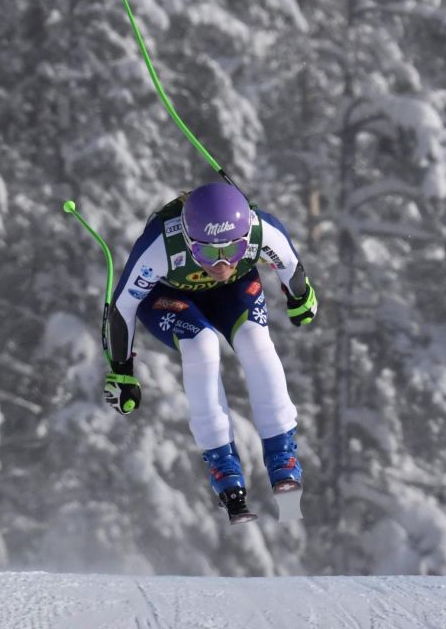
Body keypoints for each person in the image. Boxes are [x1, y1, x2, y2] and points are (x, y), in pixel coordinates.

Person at [102, 182, 317, 523]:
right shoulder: (160, 245)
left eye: (232, 251)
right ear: (186, 239)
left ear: (246, 238)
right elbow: (122, 306)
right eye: (205, 253)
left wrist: (300, 296)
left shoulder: (261, 230)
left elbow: (291, 265)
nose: (219, 264)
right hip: (168, 295)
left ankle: (283, 459)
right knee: (201, 344)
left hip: (233, 292)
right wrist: (121, 370)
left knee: (255, 343)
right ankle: (222, 465)